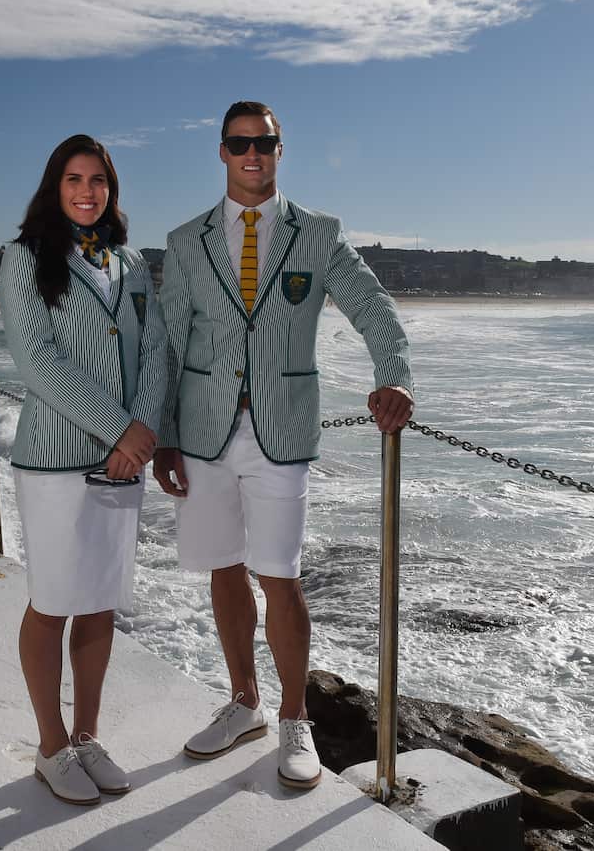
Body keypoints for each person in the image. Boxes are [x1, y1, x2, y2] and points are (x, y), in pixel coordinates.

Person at [154, 101, 414, 790]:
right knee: (222, 567)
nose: (252, 154)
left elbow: (373, 307)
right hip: (203, 434)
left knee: (279, 573)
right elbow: (169, 344)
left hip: (282, 432)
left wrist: (394, 376)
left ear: (279, 149)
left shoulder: (318, 234)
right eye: (240, 142)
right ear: (222, 151)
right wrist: (164, 437)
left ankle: (295, 719)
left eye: (264, 144)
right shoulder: (186, 241)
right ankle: (244, 703)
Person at [0, 134, 169, 805]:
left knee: (99, 601)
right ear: (55, 185)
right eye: (74, 179)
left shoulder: (130, 262)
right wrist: (119, 428)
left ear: (111, 189)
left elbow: (154, 351)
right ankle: (51, 746)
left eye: (98, 180)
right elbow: (37, 361)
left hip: (123, 460)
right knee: (52, 603)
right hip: (54, 460)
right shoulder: (25, 256)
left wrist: (140, 435)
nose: (87, 191)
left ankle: (87, 736)